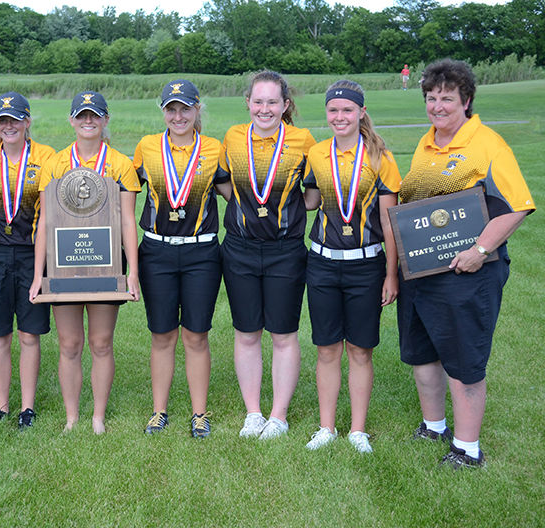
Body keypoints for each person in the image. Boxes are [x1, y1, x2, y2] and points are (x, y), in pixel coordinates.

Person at [398, 58, 534, 468]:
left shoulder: (488, 144)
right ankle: (433, 426)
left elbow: (517, 206)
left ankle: (467, 449)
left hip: (467, 272)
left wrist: (478, 252)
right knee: (424, 354)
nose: (438, 106)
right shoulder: (426, 144)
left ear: (466, 100)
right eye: (431, 98)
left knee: (463, 360)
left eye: (447, 99)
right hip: (424, 272)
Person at [29, 91, 140, 434]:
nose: (88, 121)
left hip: (106, 267)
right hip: (64, 266)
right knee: (69, 343)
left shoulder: (120, 163)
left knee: (101, 343)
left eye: (95, 115)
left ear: (106, 119)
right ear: (72, 120)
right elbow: (45, 222)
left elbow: (126, 222)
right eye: (82, 116)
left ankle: (98, 418)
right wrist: (38, 276)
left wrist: (132, 272)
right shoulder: (57, 163)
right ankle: (72, 417)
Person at [214, 70, 315, 439]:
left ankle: (278, 416)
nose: (265, 108)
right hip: (239, 249)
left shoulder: (303, 140)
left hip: (285, 250)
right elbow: (224, 183)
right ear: (248, 104)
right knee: (246, 332)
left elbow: (314, 195)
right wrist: (248, 206)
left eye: (273, 101)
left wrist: (283, 214)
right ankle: (253, 413)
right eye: (258, 101)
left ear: (285, 105)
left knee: (284, 334)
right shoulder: (233, 138)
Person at [301, 80, 401, 453]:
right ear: (326, 114)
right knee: (327, 348)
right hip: (323, 263)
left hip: (367, 265)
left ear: (361, 112)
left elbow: (389, 222)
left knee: (360, 350)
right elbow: (311, 203)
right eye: (333, 110)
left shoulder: (381, 158)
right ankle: (326, 428)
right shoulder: (316, 154)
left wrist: (391, 274)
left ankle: (357, 430)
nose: (339, 117)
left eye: (347, 110)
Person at [133, 80, 222, 438]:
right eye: (171, 109)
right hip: (157, 251)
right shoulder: (146, 148)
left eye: (185, 108)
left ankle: (199, 413)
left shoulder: (214, 149)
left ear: (197, 110)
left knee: (196, 335)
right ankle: (159, 411)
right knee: (162, 334)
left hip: (202, 252)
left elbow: (237, 194)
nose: (178, 116)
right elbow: (120, 193)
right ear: (163, 112)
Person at [0, 92, 56, 428]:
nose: (9, 126)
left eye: (15, 119)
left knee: (28, 334)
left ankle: (27, 407)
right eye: (2, 121)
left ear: (27, 121)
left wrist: (39, 270)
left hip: (31, 252)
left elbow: (49, 214)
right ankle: (2, 406)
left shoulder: (46, 156)